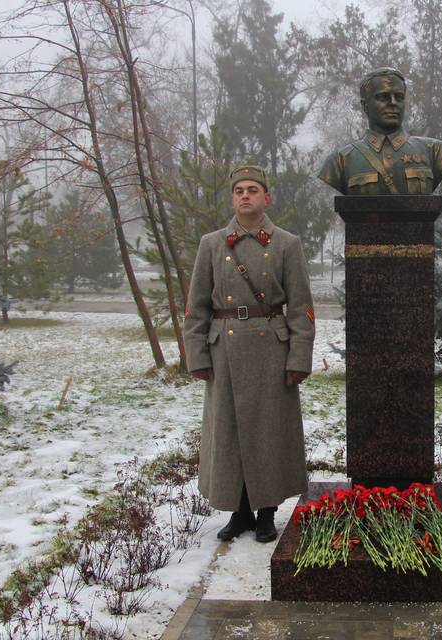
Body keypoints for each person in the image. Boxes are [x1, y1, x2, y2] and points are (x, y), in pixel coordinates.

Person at [183, 165, 315, 544]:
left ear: (266, 198)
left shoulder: (287, 243)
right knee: (229, 431)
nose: (245, 196)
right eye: (239, 190)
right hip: (223, 347)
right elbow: (197, 306)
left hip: (270, 348)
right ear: (232, 198)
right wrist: (197, 354)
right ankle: (238, 511)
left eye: (253, 190)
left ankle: (267, 512)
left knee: (268, 431)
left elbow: (302, 308)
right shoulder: (212, 244)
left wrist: (298, 358)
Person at [318, 67, 442, 195]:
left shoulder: (436, 151)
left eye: (399, 97)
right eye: (383, 97)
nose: (393, 103)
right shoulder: (340, 161)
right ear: (365, 105)